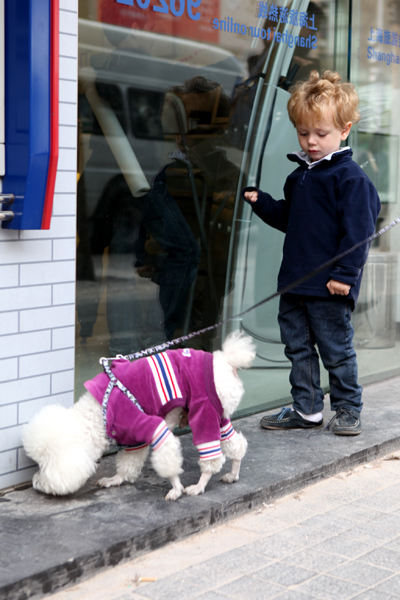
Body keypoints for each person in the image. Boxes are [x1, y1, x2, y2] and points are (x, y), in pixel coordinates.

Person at [242, 70, 381, 436]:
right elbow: (291, 219)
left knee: (337, 350)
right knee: (298, 349)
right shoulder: (300, 175)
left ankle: (348, 407)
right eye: (304, 133)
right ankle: (306, 409)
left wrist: (344, 277)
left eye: (322, 134)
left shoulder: (350, 179)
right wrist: (263, 204)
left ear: (345, 130)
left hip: (330, 287)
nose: (312, 142)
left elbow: (359, 234)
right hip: (295, 284)